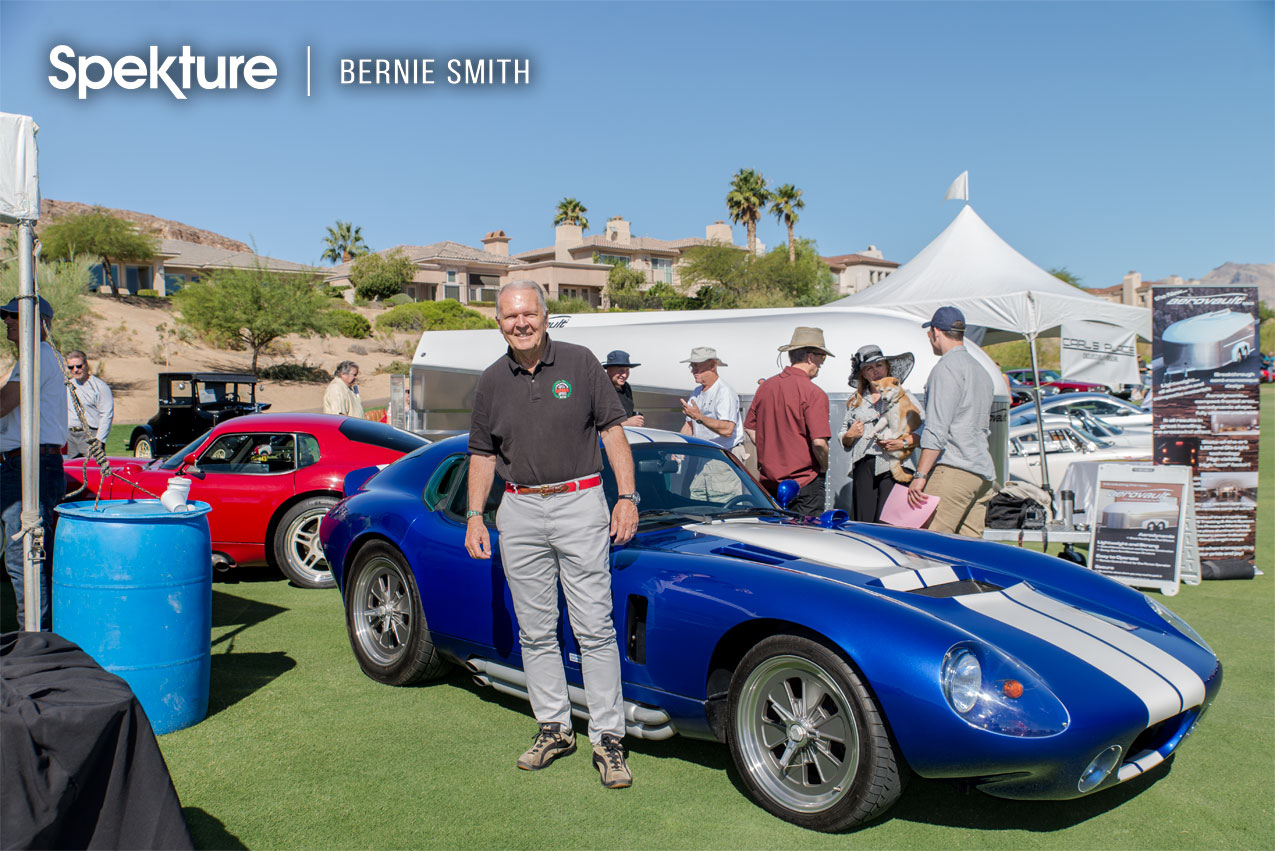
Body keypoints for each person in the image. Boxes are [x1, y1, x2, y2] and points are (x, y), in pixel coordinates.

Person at [465, 280, 638, 789]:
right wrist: (476, 513)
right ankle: (554, 728)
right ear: (499, 323)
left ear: (545, 315)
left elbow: (613, 432)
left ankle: (608, 737)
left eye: (529, 313)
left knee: (594, 627)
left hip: (580, 502)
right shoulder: (492, 380)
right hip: (517, 508)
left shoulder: (582, 363)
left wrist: (626, 497)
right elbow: (482, 453)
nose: (520, 323)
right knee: (535, 629)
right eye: (510, 316)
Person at [0, 296, 68, 631]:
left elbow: (4, 404)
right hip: (30, 463)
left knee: (25, 554)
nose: (7, 321)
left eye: (13, 315)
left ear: (36, 319)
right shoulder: (39, 357)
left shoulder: (36, 355)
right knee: (31, 553)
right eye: (7, 316)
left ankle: (35, 638)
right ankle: (40, 634)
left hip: (30, 466)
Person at [906, 306, 995, 536]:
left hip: (954, 469)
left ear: (935, 332)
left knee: (928, 547)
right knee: (969, 554)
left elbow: (937, 430)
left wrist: (920, 476)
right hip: (981, 472)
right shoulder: (981, 370)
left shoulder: (945, 369)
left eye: (929, 334)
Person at [744, 327, 833, 516]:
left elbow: (750, 428)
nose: (822, 363)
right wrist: (824, 466)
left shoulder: (766, 387)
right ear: (810, 357)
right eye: (821, 358)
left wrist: (769, 453)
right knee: (806, 540)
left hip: (770, 483)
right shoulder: (813, 393)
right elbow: (819, 443)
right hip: (804, 484)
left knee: (774, 539)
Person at [840, 344, 921, 522]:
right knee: (864, 522)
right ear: (863, 374)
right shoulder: (855, 401)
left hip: (895, 463)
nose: (875, 371)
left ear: (887, 367)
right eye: (869, 368)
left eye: (879, 365)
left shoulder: (905, 396)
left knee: (890, 523)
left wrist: (904, 442)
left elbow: (923, 430)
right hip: (864, 465)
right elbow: (844, 438)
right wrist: (850, 435)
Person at [678, 346, 746, 501]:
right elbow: (689, 426)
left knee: (723, 505)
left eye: (697, 366)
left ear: (712, 365)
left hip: (723, 459)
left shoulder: (724, 392)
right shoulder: (697, 392)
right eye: (692, 366)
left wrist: (699, 417)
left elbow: (728, 429)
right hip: (702, 458)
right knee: (697, 502)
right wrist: (676, 449)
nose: (693, 371)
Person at [64, 350, 114, 460]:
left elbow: (107, 415)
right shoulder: (67, 386)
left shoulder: (99, 387)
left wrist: (99, 440)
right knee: (72, 472)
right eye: (71, 367)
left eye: (79, 366)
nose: (75, 370)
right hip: (71, 436)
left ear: (86, 365)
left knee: (93, 469)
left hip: (90, 434)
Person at [602, 350, 644, 427]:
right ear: (608, 369)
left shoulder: (626, 387)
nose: (624, 375)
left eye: (627, 370)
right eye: (620, 370)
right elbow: (596, 424)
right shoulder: (601, 389)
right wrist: (626, 423)